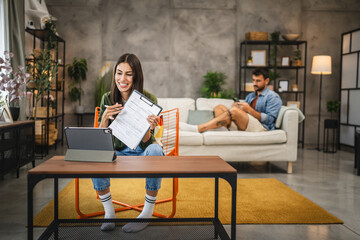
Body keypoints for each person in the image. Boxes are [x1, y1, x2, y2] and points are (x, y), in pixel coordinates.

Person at [92, 53, 164, 233]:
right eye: (119, 73)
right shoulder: (107, 98)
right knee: (96, 155)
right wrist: (104, 121)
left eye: (128, 74)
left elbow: (148, 142)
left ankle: (146, 214)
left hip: (142, 151)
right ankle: (109, 213)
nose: (122, 79)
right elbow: (102, 142)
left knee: (156, 150)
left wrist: (148, 127)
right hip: (119, 153)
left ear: (136, 76)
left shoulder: (149, 99)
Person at [180, 68, 282, 133]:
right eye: (253, 80)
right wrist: (237, 108)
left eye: (258, 81)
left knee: (234, 111)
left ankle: (198, 128)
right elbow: (243, 114)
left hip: (261, 127)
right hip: (245, 123)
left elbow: (270, 120)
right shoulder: (251, 96)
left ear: (267, 81)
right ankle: (223, 130)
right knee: (219, 107)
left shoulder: (273, 97)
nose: (254, 83)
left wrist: (248, 110)